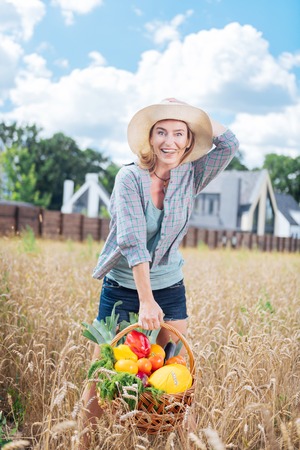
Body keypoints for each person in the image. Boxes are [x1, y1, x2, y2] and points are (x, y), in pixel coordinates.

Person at [79, 98, 239, 446]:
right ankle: (81, 443)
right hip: (123, 286)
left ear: (189, 140)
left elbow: (229, 144)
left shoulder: (191, 174)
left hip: (170, 286)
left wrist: (189, 108)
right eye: (161, 132)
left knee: (176, 380)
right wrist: (145, 301)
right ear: (149, 139)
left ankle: (184, 444)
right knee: (100, 377)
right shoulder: (129, 178)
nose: (169, 141)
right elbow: (133, 243)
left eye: (179, 133)